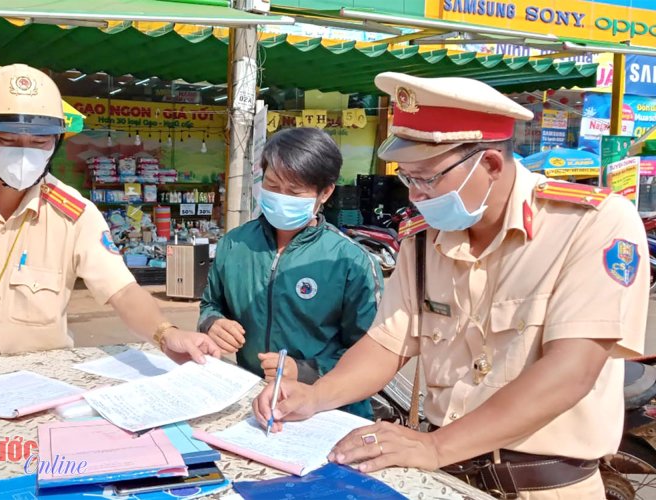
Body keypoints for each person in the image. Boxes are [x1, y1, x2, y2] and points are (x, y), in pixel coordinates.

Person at [253, 73, 648, 498]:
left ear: (491, 164)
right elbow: (386, 343)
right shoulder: (424, 238)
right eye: (408, 179)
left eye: (427, 179)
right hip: (445, 481)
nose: (415, 196)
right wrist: (315, 397)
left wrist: (436, 446)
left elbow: (571, 371)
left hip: (543, 485)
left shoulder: (591, 224)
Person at [0, 64, 220, 382]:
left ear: (56, 142)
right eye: (6, 140)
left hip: (40, 382)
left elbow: (123, 290)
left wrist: (167, 334)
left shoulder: (75, 214)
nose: (23, 153)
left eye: (39, 142)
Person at [199, 127, 383, 418]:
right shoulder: (234, 245)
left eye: (294, 192)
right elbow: (211, 304)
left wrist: (307, 370)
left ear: (325, 192)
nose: (280, 197)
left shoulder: (351, 261)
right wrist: (212, 323)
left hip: (332, 411)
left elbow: (373, 354)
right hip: (255, 402)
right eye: (272, 185)